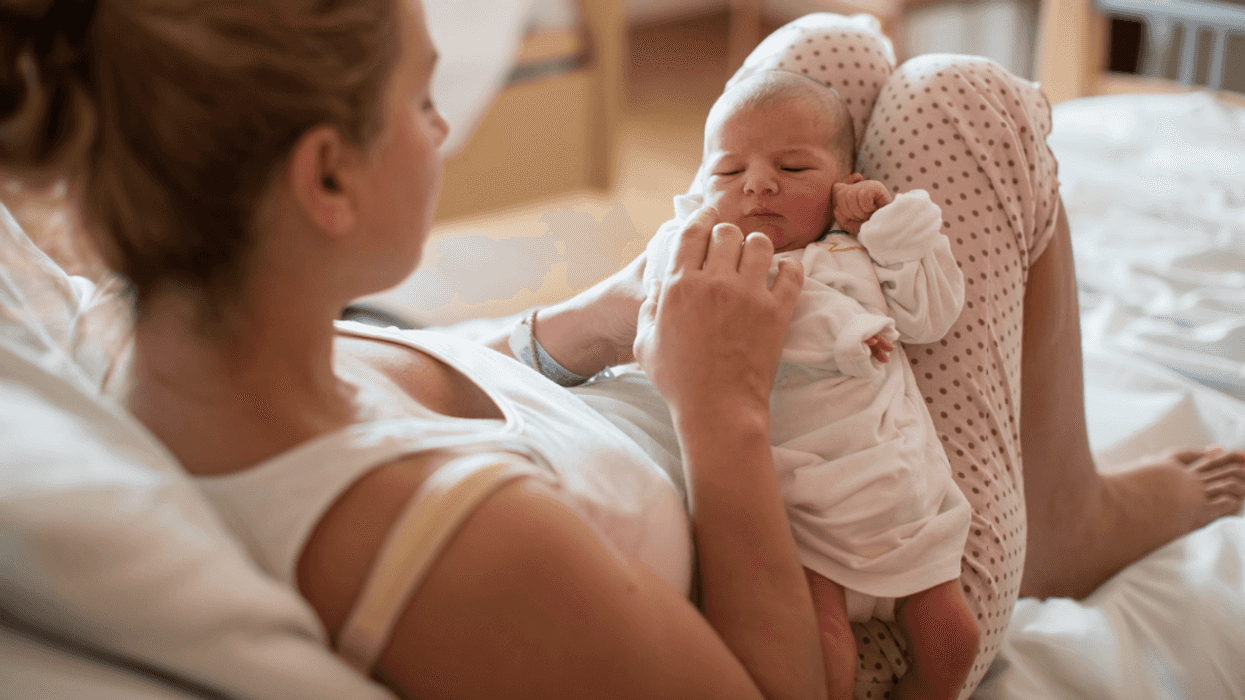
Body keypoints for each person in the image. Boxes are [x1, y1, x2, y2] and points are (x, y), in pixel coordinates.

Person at [2, 2, 1242, 699]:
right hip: (848, 549)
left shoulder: (132, 328)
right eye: (426, 102)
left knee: (835, 58)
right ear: (326, 175)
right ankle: (1052, 516)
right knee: (964, 101)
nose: (443, 129)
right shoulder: (462, 550)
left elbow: (459, 382)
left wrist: (589, 323)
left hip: (718, 366)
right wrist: (721, 410)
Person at [644, 69, 977, 699]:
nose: (760, 183)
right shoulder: (724, 267)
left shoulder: (856, 253)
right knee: (825, 650)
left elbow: (933, 316)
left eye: (794, 170)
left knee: (954, 641)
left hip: (901, 505)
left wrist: (885, 225)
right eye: (728, 172)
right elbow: (716, 331)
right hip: (801, 512)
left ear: (843, 184)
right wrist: (847, 333)